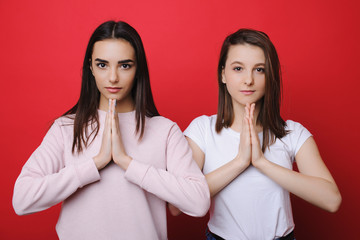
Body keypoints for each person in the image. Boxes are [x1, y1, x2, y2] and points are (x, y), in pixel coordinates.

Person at [12, 20, 210, 240]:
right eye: (102, 65)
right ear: (91, 67)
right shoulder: (66, 128)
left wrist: (127, 163)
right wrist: (96, 163)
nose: (113, 77)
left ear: (138, 69)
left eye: (125, 65)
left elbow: (199, 202)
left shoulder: (165, 131)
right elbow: (22, 200)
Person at [183, 29, 342, 240]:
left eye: (259, 70)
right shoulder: (202, 129)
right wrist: (240, 162)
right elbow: (181, 202)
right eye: (238, 68)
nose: (248, 80)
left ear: (271, 76)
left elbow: (332, 200)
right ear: (223, 74)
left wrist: (262, 162)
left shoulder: (292, 133)